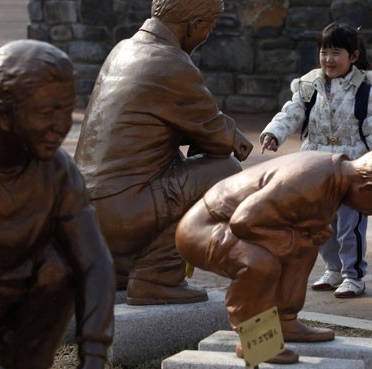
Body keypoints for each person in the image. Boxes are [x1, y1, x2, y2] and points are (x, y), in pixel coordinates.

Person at [73, 0, 254, 306]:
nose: (207, 35)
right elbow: (221, 141)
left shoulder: (123, 49)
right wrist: (234, 138)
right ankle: (156, 275)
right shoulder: (171, 62)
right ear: (194, 25)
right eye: (208, 27)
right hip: (121, 213)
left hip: (86, 216)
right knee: (227, 173)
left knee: (173, 164)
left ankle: (121, 267)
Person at [176, 147, 372, 362]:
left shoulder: (336, 180)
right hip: (205, 228)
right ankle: (255, 339)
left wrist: (307, 236)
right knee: (259, 263)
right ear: (369, 189)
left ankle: (285, 319)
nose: (368, 214)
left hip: (240, 224)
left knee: (305, 246)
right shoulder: (309, 181)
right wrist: (295, 238)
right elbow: (244, 222)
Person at [0, 40, 114, 369]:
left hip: (6, 303)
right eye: (47, 112)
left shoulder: (56, 170)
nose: (62, 125)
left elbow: (95, 262)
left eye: (66, 108)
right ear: (2, 114)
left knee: (60, 266)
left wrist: (94, 358)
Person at [259, 22, 372, 298]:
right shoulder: (310, 85)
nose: (328, 59)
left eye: (336, 53)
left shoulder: (364, 91)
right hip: (316, 165)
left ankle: (353, 275)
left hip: (351, 166)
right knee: (320, 222)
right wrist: (274, 133)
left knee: (349, 224)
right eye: (324, 52)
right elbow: (291, 112)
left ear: (353, 57)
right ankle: (332, 269)